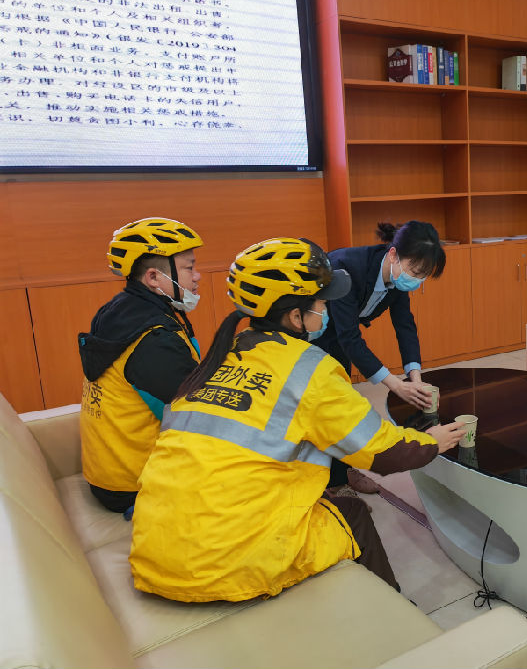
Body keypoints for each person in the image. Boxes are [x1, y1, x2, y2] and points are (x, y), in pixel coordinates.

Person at [129, 237, 466, 601]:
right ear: (295, 316)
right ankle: (394, 609)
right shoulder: (310, 370)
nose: (326, 310)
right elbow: (382, 452)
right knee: (352, 513)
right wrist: (432, 442)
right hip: (221, 563)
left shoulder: (219, 356)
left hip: (156, 550)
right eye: (322, 303)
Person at [78, 218, 204, 513]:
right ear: (153, 277)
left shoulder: (121, 309)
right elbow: (198, 413)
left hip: (108, 474)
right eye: (189, 268)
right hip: (133, 485)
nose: (198, 276)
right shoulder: (154, 339)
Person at [312, 221, 445, 493]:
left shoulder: (396, 279)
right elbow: (350, 338)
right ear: (393, 255)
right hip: (313, 334)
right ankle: (329, 482)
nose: (416, 281)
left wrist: (415, 377)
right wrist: (395, 384)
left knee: (339, 403)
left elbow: (405, 325)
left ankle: (342, 472)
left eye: (423, 276)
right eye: (415, 272)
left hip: (339, 335)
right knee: (323, 405)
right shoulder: (346, 269)